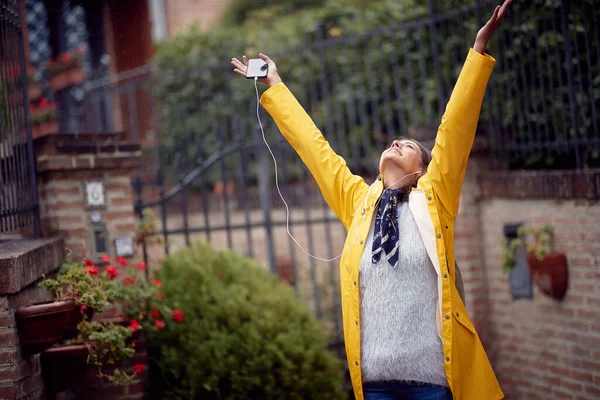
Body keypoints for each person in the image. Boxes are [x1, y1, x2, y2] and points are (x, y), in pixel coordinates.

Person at [232, 1, 511, 399]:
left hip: (433, 383)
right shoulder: (360, 203)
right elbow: (316, 150)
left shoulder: (435, 199)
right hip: (376, 385)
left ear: (424, 167)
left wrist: (478, 52)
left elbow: (456, 127)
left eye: (410, 145)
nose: (397, 142)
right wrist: (276, 86)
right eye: (395, 141)